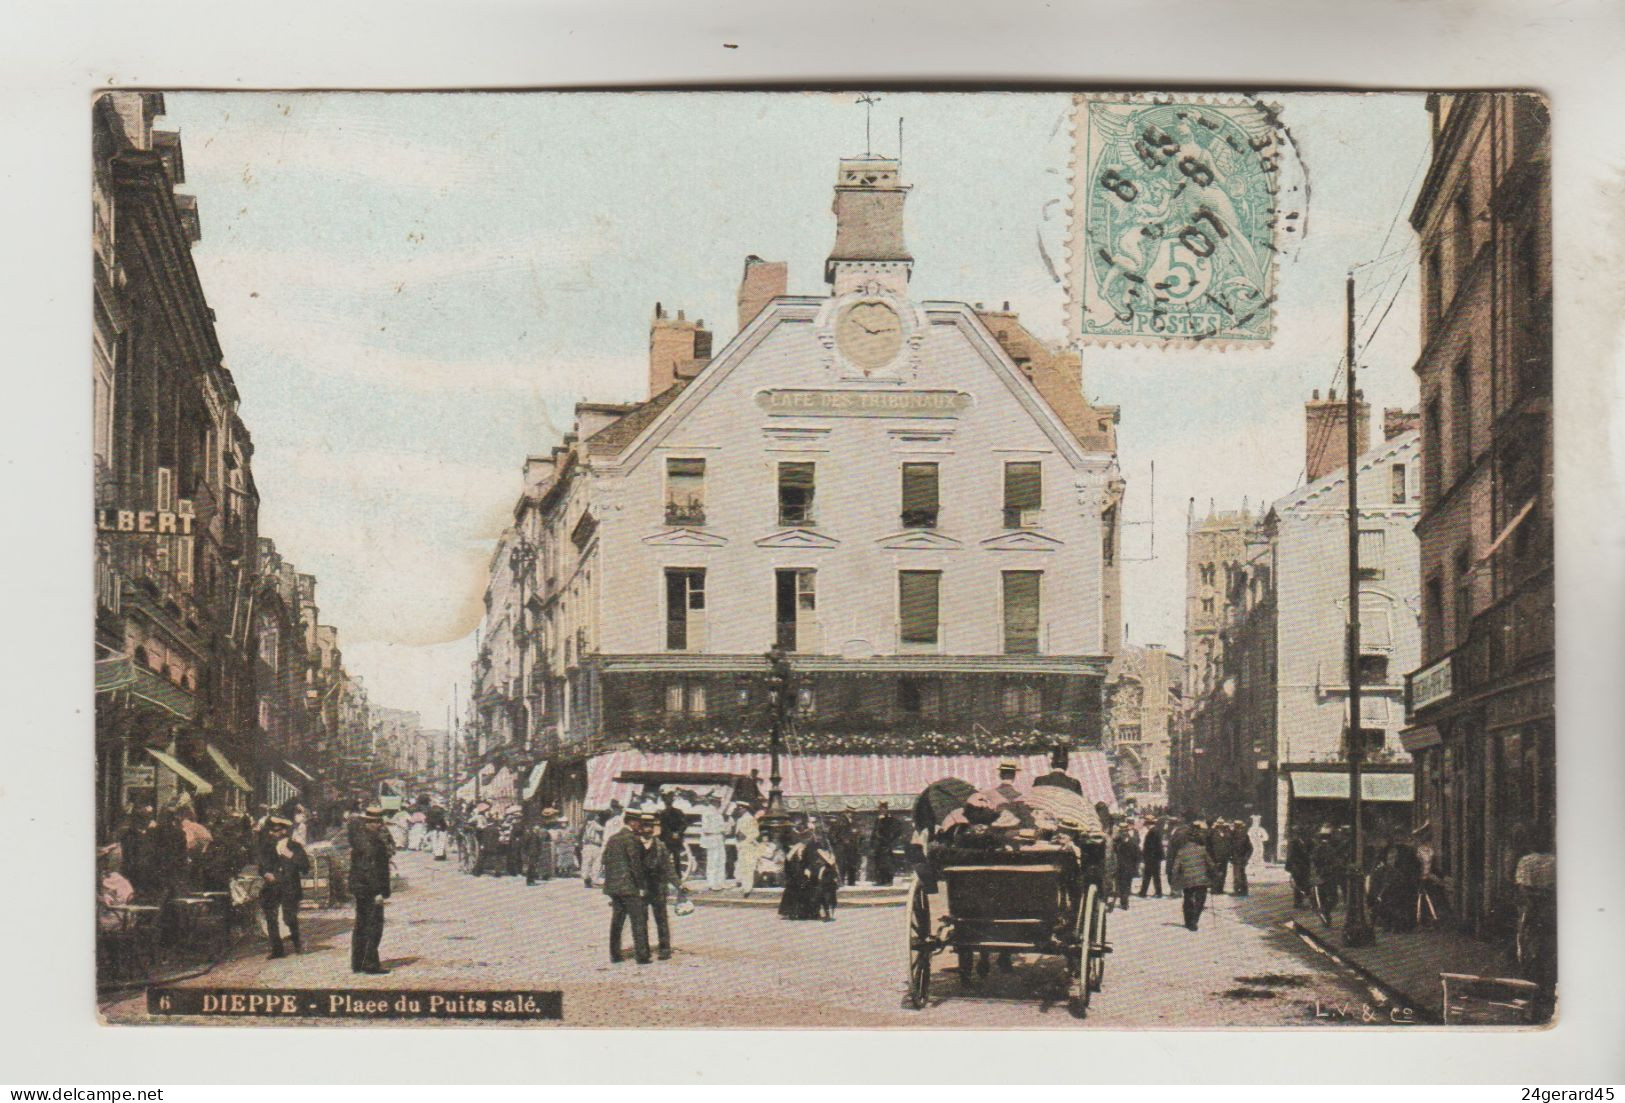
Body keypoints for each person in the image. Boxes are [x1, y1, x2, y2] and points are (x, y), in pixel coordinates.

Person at [602, 809, 652, 964]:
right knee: (638, 920)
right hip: (629, 887)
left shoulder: (613, 838)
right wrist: (642, 886)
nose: (640, 826)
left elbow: (605, 860)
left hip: (614, 887)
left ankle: (615, 955)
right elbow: (636, 865)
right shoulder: (632, 840)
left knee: (617, 921)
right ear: (632, 822)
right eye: (639, 823)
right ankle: (642, 956)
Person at [349, 804, 393, 974]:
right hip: (369, 888)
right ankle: (370, 963)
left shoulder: (361, 838)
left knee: (361, 925)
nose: (380, 825)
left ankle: (358, 962)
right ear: (370, 823)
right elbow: (370, 868)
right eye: (377, 822)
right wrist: (377, 892)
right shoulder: (370, 842)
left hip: (360, 887)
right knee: (373, 926)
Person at [258, 815, 310, 959]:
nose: (272, 834)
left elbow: (305, 866)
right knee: (271, 917)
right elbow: (261, 867)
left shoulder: (294, 846)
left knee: (289, 918)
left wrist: (290, 855)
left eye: (276, 831)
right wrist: (266, 873)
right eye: (271, 831)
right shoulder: (267, 846)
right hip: (272, 886)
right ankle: (277, 949)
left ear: (284, 831)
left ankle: (297, 942)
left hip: (289, 886)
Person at [640, 812, 683, 960]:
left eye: (650, 826)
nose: (648, 829)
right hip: (641, 888)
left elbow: (668, 867)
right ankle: (643, 949)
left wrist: (678, 884)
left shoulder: (660, 846)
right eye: (645, 825)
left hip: (658, 886)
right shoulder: (633, 844)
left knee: (661, 918)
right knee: (641, 919)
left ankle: (664, 949)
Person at [1169, 822, 1214, 931]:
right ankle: (1194, 920)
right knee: (1200, 900)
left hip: (1187, 879)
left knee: (1188, 899)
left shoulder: (1181, 851)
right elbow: (1211, 864)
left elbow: (1175, 868)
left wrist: (1175, 880)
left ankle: (1188, 921)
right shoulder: (1202, 850)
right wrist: (1214, 874)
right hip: (1201, 880)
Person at [697, 795, 727, 891]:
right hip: (712, 839)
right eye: (717, 801)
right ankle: (712, 883)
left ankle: (720, 882)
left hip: (719, 840)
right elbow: (706, 829)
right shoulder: (707, 812)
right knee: (713, 862)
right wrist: (720, 830)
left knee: (721, 861)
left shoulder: (718, 812)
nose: (719, 803)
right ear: (713, 802)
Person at [657, 792, 689, 879]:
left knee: (670, 858)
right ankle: (676, 876)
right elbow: (684, 824)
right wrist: (677, 833)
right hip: (673, 838)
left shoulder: (664, 813)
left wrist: (674, 833)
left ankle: (671, 876)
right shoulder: (677, 812)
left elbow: (664, 827)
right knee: (675, 858)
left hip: (668, 839)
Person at [734, 805, 763, 897]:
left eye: (740, 808)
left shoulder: (750, 819)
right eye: (738, 809)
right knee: (742, 866)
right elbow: (737, 834)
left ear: (745, 809)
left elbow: (755, 833)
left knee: (749, 867)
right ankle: (743, 885)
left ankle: (747, 889)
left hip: (749, 846)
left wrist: (747, 840)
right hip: (741, 845)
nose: (739, 810)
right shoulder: (740, 819)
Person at [871, 802, 903, 886]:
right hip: (878, 846)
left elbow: (896, 830)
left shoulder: (890, 819)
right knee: (879, 863)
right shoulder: (878, 819)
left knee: (887, 863)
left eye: (883, 809)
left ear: (886, 809)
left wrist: (890, 840)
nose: (882, 810)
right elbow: (874, 832)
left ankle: (888, 881)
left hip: (886, 845)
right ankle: (880, 881)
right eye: (880, 809)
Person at [1112, 822, 1141, 911]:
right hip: (1122, 867)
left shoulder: (1129, 841)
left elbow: (1137, 855)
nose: (1123, 833)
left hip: (1125, 867)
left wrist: (1135, 866)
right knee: (1123, 885)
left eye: (1124, 831)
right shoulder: (1118, 841)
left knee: (1124, 885)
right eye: (1122, 831)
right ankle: (1124, 902)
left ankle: (1124, 902)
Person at [1285, 826, 1314, 908]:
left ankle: (1300, 902)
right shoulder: (1294, 842)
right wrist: (1293, 867)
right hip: (1297, 866)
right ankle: (1298, 903)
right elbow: (1291, 856)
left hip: (1303, 866)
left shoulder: (1302, 841)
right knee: (1299, 884)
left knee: (1303, 884)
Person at [1137, 817, 1165, 898]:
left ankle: (1144, 892)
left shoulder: (1152, 832)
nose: (1146, 826)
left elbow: (1151, 847)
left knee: (1148, 876)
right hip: (1155, 858)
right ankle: (1157, 892)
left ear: (1149, 824)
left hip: (1152, 858)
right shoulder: (1155, 831)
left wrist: (1146, 857)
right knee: (1154, 876)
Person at [1206, 818, 1234, 894]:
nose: (1221, 826)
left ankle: (1220, 888)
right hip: (1214, 856)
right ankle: (1214, 889)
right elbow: (1208, 843)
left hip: (1225, 856)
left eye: (1222, 824)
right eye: (1219, 825)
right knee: (1215, 872)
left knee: (1223, 872)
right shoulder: (1212, 832)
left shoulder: (1227, 832)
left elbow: (1231, 840)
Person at [580, 812, 606, 888]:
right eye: (596, 816)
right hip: (595, 845)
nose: (598, 817)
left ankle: (586, 878)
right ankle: (595, 880)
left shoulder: (585, 824)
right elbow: (602, 829)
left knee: (586, 863)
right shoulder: (594, 823)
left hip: (587, 845)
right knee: (596, 863)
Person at [1230, 819, 1253, 897]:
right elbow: (1250, 848)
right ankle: (1244, 890)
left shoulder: (1233, 834)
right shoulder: (1245, 835)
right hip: (1242, 858)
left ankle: (1237, 890)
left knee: (1237, 874)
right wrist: (1247, 857)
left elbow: (1230, 846)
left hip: (1237, 857)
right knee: (1242, 874)